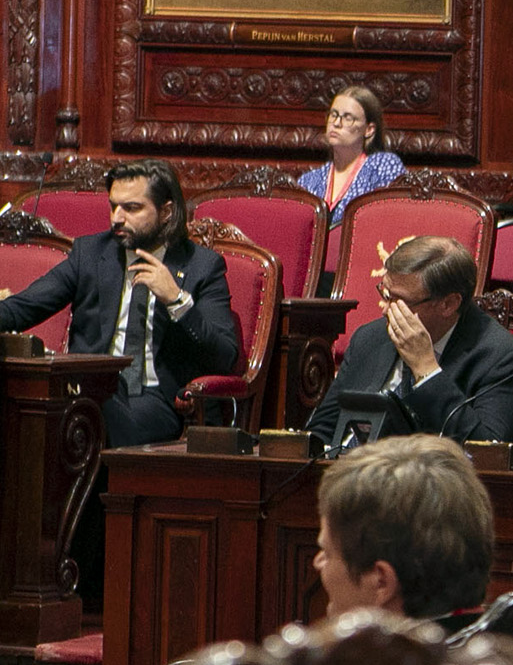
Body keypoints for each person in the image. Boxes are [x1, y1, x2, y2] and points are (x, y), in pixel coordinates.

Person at [0, 160, 239, 448]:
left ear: (166, 211)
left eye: (132, 208)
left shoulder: (202, 266)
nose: (117, 218)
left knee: (84, 414)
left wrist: (177, 300)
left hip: (155, 400)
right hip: (88, 388)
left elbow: (225, 355)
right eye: (113, 206)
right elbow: (23, 307)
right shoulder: (90, 253)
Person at [309, 238, 513, 453]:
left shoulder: (500, 357)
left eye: (400, 300)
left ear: (448, 304)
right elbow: (322, 429)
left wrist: (427, 371)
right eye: (386, 295)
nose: (386, 310)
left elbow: (486, 453)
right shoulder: (371, 337)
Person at [312, 435, 495, 624]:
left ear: (380, 581)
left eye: (327, 552)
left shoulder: (343, 653)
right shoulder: (507, 647)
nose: (317, 562)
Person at [297, 86, 406, 221]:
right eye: (333, 114)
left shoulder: (382, 166)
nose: (336, 123)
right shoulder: (309, 181)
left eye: (348, 118)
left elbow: (390, 219)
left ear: (369, 130)